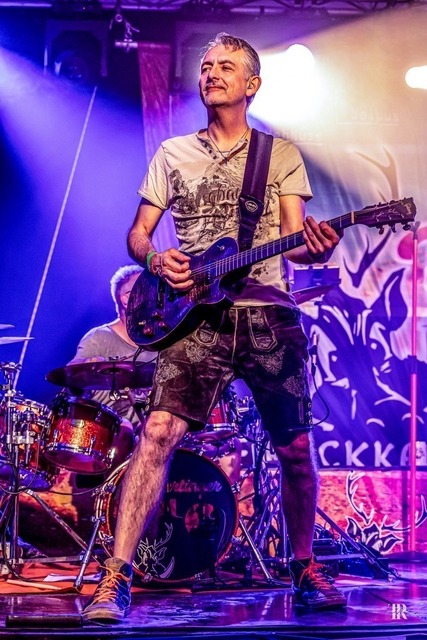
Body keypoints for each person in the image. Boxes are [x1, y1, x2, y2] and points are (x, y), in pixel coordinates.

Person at [82, 32, 345, 622]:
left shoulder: (279, 155)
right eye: (205, 66)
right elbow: (138, 234)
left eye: (226, 66)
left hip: (266, 314)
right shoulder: (172, 153)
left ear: (252, 84)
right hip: (195, 316)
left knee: (295, 447)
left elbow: (294, 241)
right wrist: (156, 260)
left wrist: (317, 246)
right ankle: (116, 575)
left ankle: (303, 566)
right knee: (157, 433)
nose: (212, 73)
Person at [67, 265, 157, 469]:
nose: (155, 294)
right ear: (126, 298)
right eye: (147, 288)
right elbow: (71, 375)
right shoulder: (99, 337)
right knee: (125, 430)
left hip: (150, 432)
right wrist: (87, 364)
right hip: (108, 436)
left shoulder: (159, 342)